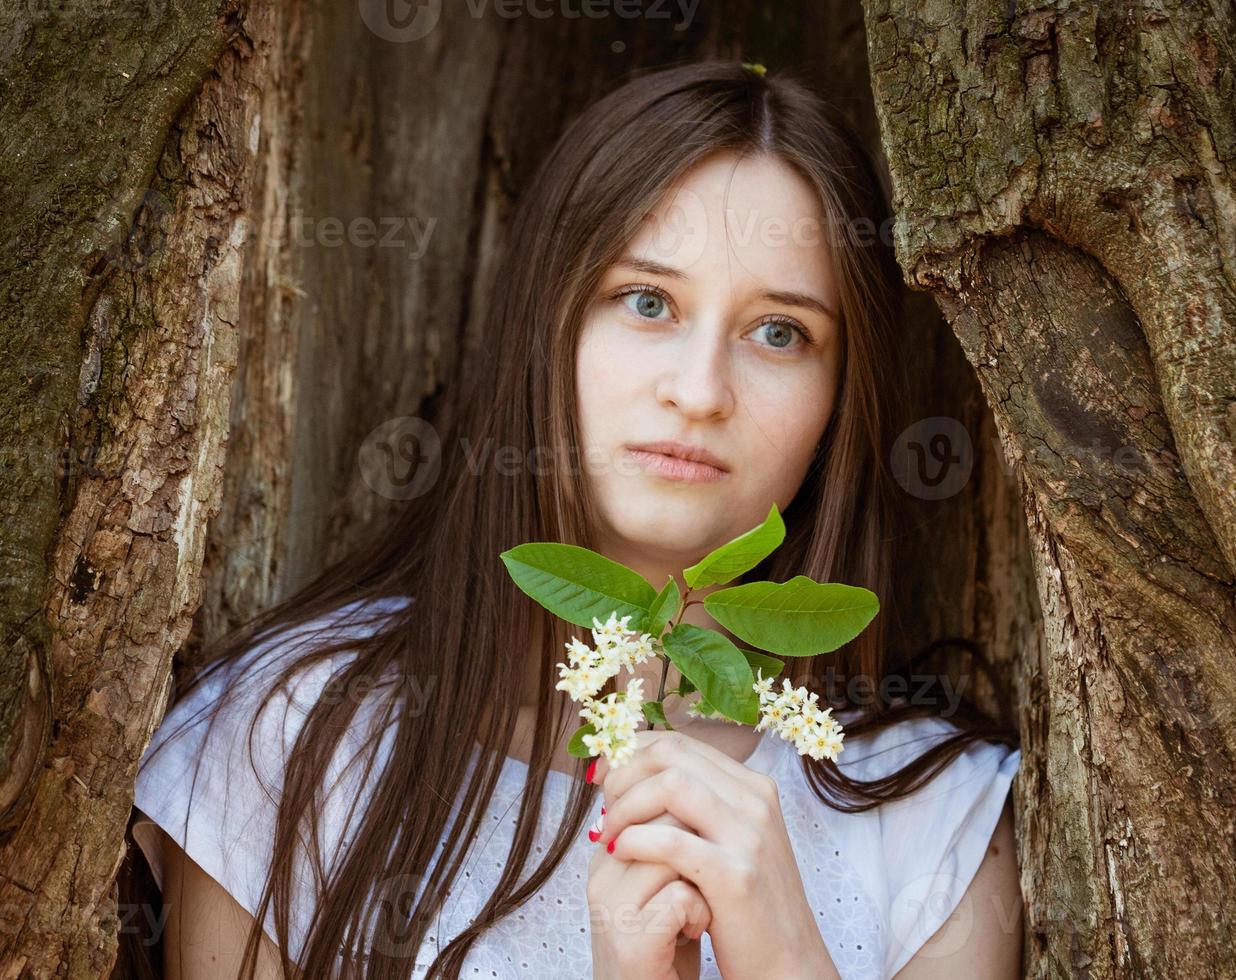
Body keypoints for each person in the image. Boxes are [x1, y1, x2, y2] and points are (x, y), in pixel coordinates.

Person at [125, 58, 1023, 980]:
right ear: (548, 322)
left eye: (779, 331)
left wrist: (788, 955)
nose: (700, 390)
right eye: (647, 302)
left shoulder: (932, 821)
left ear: (843, 395)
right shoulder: (297, 740)